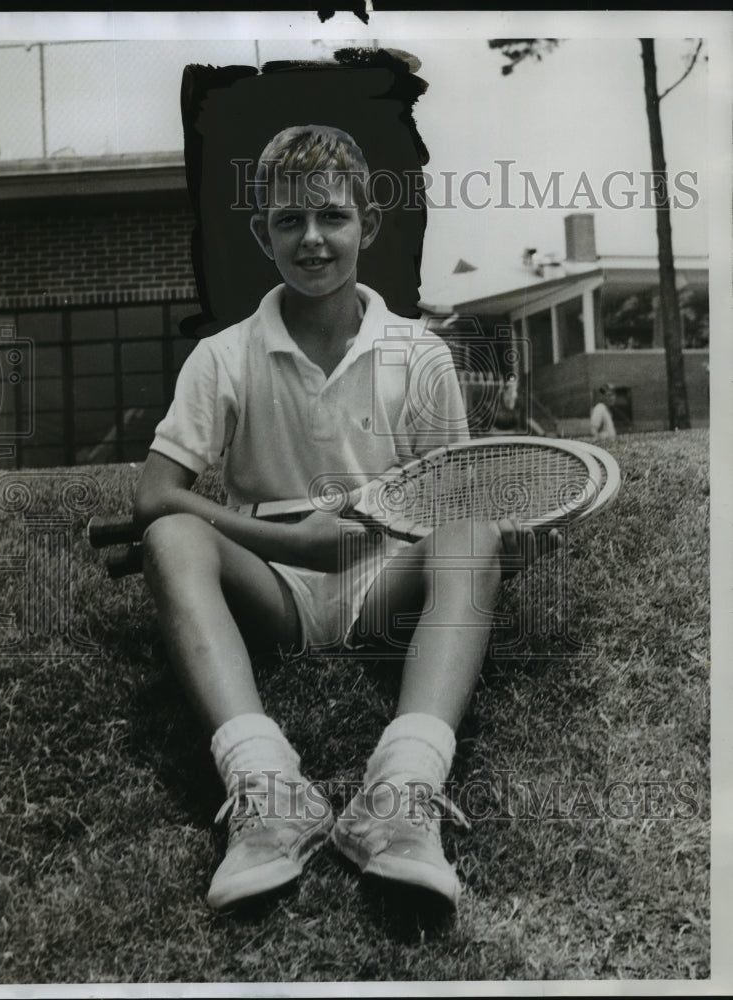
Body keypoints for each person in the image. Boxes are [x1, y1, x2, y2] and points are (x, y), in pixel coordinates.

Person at [134, 124, 554, 912]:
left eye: (332, 216)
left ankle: (400, 797)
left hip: (383, 585)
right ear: (263, 234)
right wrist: (291, 542)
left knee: (472, 533)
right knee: (171, 536)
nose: (313, 239)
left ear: (369, 223)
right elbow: (156, 494)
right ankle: (265, 788)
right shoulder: (222, 356)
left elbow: (454, 494)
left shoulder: (420, 355)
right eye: (289, 221)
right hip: (274, 591)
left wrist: (498, 544)